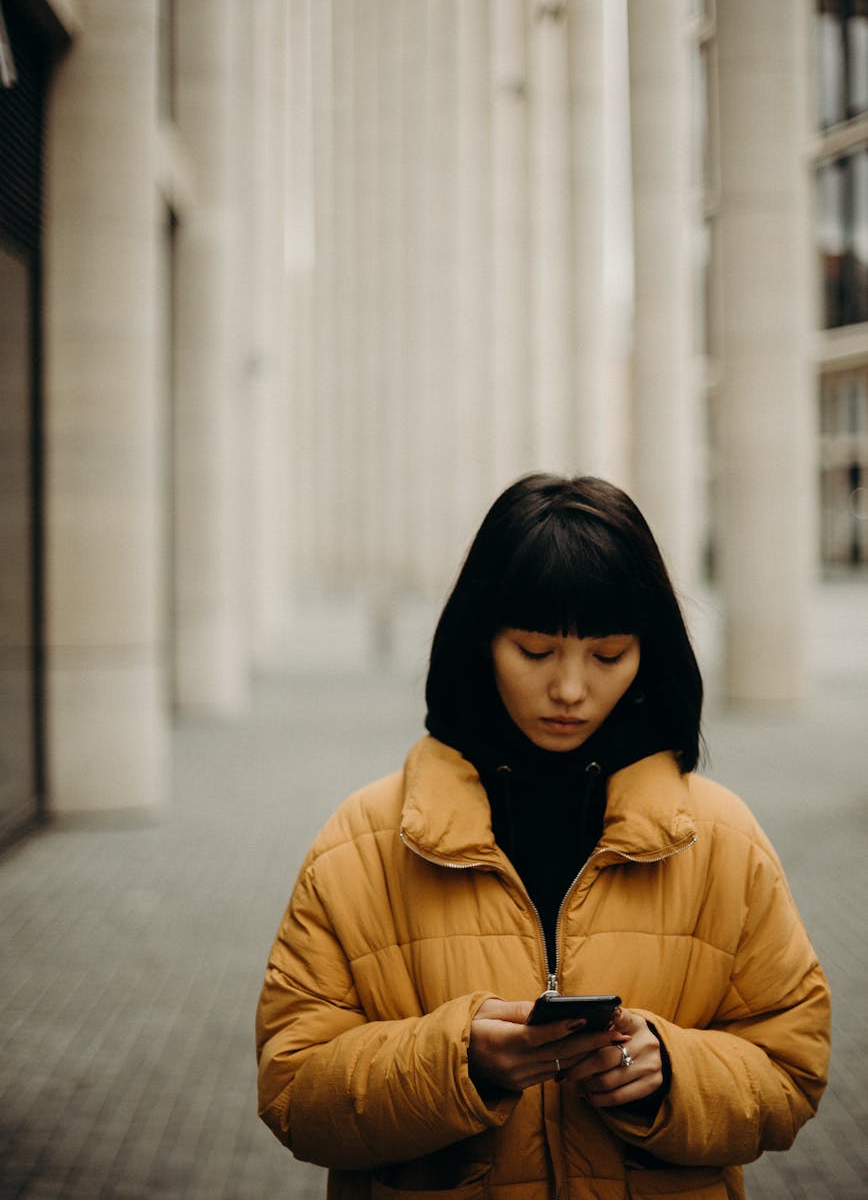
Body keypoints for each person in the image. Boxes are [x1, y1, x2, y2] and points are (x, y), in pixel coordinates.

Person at [256, 473, 830, 1200]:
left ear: (649, 653)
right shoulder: (363, 842)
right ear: (479, 642)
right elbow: (293, 1090)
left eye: (608, 654)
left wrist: (672, 1073)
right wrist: (456, 1063)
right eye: (534, 651)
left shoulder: (722, 840)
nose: (568, 689)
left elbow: (792, 1071)